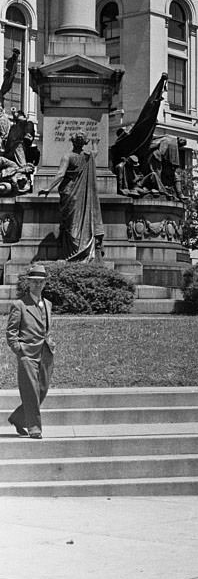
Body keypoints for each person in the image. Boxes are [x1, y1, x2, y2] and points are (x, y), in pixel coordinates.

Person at [5, 263, 54, 440]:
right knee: (31, 392)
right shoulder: (19, 305)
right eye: (34, 282)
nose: (37, 285)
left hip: (46, 353)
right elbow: (11, 332)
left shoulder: (47, 304)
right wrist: (19, 350)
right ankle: (34, 428)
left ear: (45, 283)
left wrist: (50, 341)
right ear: (29, 283)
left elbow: (45, 327)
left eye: (40, 282)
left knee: (42, 390)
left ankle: (18, 418)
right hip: (27, 355)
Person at [39, 131, 104, 260]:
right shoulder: (88, 156)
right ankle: (80, 250)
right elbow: (95, 152)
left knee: (71, 223)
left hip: (70, 193)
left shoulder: (67, 156)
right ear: (84, 143)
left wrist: (48, 188)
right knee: (79, 221)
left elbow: (60, 175)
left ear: (73, 142)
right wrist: (95, 143)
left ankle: (72, 253)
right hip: (80, 194)